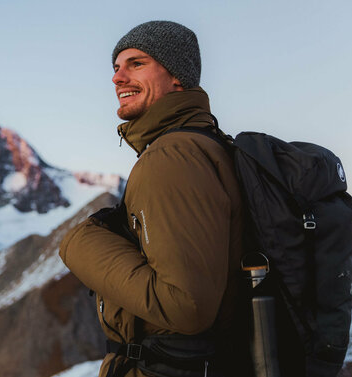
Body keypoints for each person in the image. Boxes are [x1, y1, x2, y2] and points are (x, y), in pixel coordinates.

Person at [59, 21, 249, 377]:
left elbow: (187, 307)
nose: (117, 78)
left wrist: (78, 245)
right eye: (116, 68)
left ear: (177, 76)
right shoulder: (206, 143)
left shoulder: (172, 156)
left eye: (136, 63)